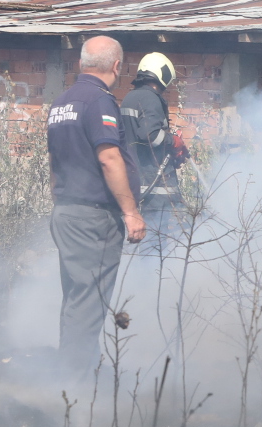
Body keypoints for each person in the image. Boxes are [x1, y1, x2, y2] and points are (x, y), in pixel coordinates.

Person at [47, 36, 146, 369]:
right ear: (117, 67)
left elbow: (55, 161)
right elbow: (109, 158)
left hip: (66, 213)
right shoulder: (99, 101)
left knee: (76, 299)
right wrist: (130, 213)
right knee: (88, 303)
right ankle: (74, 388)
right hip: (93, 220)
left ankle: (68, 375)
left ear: (81, 64)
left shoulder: (61, 102)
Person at [120, 51, 189, 253]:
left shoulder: (130, 98)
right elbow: (150, 136)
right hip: (154, 184)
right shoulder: (151, 98)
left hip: (134, 178)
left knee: (140, 239)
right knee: (156, 241)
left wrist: (170, 150)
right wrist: (173, 141)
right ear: (162, 74)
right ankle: (152, 278)